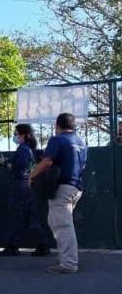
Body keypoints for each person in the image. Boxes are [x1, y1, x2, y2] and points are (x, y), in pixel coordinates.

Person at [30, 113, 88, 274]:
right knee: (57, 222)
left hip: (62, 187)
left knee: (62, 225)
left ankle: (68, 263)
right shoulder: (81, 142)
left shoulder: (58, 140)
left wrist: (32, 175)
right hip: (76, 187)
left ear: (57, 126)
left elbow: (47, 162)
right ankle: (65, 257)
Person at [0, 124, 50, 256]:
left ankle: (13, 246)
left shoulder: (23, 149)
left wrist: (3, 163)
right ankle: (42, 244)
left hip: (21, 185)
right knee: (31, 216)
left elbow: (19, 168)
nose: (15, 136)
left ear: (23, 135)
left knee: (17, 215)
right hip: (28, 185)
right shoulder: (29, 149)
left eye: (16, 134)